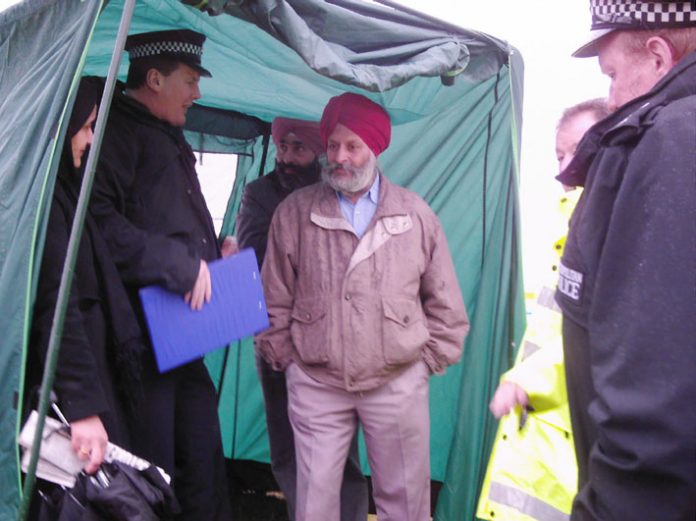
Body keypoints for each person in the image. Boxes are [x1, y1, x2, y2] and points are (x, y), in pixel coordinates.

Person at [257, 92, 469, 521]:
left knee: (407, 504)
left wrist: (420, 365)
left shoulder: (415, 215)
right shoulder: (294, 212)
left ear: (375, 148)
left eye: (352, 146)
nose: (340, 157)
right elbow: (272, 297)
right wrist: (290, 362)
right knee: (315, 504)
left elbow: (446, 305)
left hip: (396, 380)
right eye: (333, 145)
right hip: (317, 380)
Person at [556, 2, 696, 519]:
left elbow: (659, 399)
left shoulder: (675, 142)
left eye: (612, 75)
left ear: (659, 57)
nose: (610, 96)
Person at [90, 30, 231, 520]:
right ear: (154, 79)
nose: (197, 93)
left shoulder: (167, 133)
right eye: (190, 81)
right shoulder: (115, 134)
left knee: (202, 452)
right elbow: (99, 224)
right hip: (137, 340)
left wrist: (213, 257)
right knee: (157, 465)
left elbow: (169, 218)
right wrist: (177, 265)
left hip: (180, 333)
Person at [477, 98, 609, 521]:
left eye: (577, 152)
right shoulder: (566, 228)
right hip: (535, 437)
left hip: (569, 444)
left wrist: (525, 381)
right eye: (559, 155)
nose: (564, 168)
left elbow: (597, 334)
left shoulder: (610, 228)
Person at [236, 117, 368, 521]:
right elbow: (255, 258)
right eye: (283, 147)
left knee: (338, 449)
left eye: (299, 148)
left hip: (332, 342)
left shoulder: (342, 194)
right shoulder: (259, 195)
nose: (287, 157)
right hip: (276, 338)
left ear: (317, 153)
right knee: (287, 448)